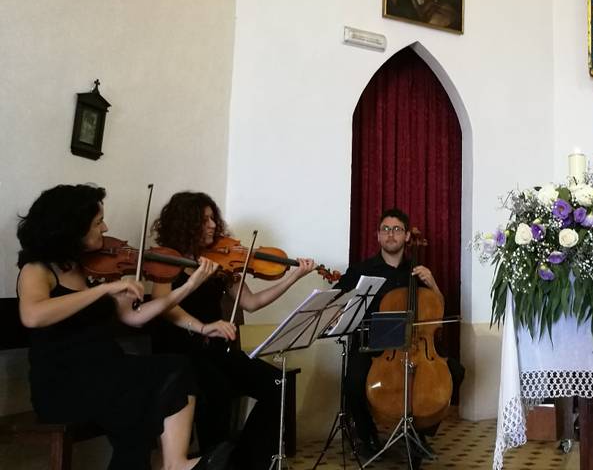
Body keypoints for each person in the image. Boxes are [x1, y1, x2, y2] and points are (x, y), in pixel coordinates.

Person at [16, 184, 232, 470]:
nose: (105, 227)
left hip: (106, 369)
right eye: (97, 222)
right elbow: (32, 315)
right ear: (72, 227)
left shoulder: (93, 268)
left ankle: (174, 464)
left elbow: (136, 317)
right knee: (136, 404)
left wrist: (189, 286)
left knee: (175, 367)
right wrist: (102, 291)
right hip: (63, 382)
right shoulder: (38, 270)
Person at [150, 191, 316, 470]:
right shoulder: (168, 259)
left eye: (213, 218)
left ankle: (244, 461)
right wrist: (203, 326)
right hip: (181, 353)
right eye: (204, 220)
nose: (213, 225)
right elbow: (164, 306)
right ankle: (214, 459)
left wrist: (292, 277)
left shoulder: (220, 262)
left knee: (279, 383)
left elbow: (252, 302)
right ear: (185, 223)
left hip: (215, 349)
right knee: (217, 389)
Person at [335, 208, 464, 465]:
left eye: (396, 229)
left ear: (407, 237)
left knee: (455, 372)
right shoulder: (361, 271)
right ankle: (367, 437)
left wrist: (434, 284)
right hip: (373, 348)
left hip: (416, 347)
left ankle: (420, 432)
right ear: (378, 236)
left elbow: (438, 311)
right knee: (353, 381)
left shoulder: (418, 273)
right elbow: (336, 301)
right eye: (385, 229)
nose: (390, 234)